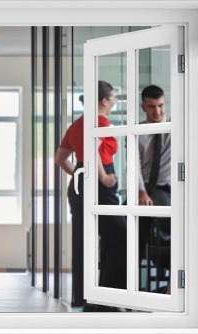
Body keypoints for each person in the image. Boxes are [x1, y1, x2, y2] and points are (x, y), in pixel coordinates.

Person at [55, 81, 127, 307]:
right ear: (104, 101)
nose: (113, 104)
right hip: (99, 186)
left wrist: (79, 173)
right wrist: (103, 177)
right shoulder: (100, 121)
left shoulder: (76, 125)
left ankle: (84, 297)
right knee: (120, 238)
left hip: (78, 185)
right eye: (113, 99)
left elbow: (60, 159)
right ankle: (108, 296)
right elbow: (93, 149)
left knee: (83, 242)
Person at [137, 85, 171, 294]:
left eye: (160, 106)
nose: (157, 112)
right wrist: (141, 192)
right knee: (131, 226)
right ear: (143, 107)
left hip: (171, 188)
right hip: (149, 188)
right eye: (151, 107)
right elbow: (132, 166)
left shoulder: (175, 126)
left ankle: (170, 286)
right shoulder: (136, 133)